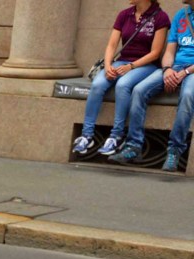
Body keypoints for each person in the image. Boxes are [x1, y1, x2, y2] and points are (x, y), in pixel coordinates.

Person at [73, 1, 171, 156]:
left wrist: (131, 67)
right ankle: (87, 135)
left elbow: (155, 53)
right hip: (121, 62)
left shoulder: (160, 17)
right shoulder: (124, 15)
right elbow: (111, 45)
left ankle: (116, 136)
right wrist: (108, 66)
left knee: (123, 84)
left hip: (145, 65)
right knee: (98, 84)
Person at [121, 0, 194, 170]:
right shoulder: (181, 16)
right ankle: (134, 146)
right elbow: (169, 51)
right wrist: (167, 69)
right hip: (175, 66)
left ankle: (175, 150)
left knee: (188, 95)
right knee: (139, 89)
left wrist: (186, 72)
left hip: (192, 71)